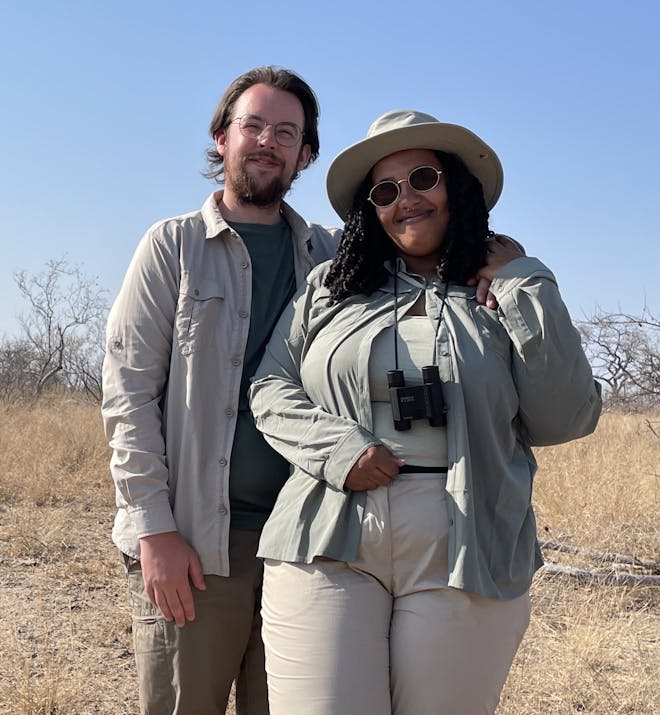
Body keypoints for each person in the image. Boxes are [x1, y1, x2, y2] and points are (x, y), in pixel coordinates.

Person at [248, 109, 603, 714]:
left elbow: (565, 416)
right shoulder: (331, 287)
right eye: (385, 192)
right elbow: (271, 385)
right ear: (370, 210)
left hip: (467, 535)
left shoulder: (503, 289)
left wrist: (525, 282)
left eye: (422, 179)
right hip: (329, 524)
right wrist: (336, 449)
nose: (405, 200)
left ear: (456, 186)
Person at [101, 66, 341, 715]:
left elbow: (423, 268)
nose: (267, 141)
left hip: (304, 546)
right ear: (220, 138)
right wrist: (155, 531)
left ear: (306, 154)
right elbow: (128, 396)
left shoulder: (333, 258)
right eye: (253, 125)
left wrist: (498, 266)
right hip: (196, 545)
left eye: (286, 132)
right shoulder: (171, 247)